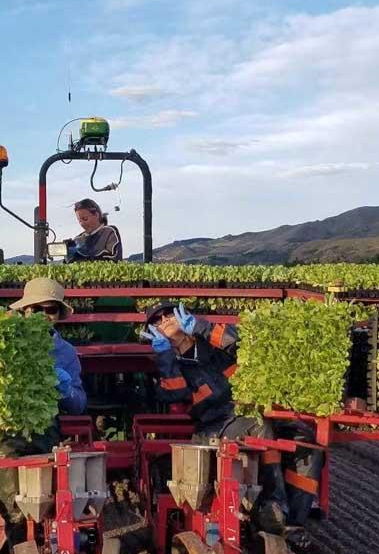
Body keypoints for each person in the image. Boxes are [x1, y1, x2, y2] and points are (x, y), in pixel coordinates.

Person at [0, 277, 87, 554]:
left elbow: (79, 404)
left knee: (2, 453)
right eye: (34, 309)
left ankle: (19, 525)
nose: (41, 316)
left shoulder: (66, 353)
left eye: (49, 310)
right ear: (23, 311)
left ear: (58, 316)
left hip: (37, 429)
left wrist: (63, 387)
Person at [144, 301, 307, 535]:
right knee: (261, 427)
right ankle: (273, 506)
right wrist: (164, 358)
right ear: (154, 332)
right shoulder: (169, 364)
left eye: (169, 314)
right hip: (213, 427)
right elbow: (175, 393)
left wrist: (202, 328)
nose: (165, 321)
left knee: (306, 442)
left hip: (247, 412)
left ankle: (292, 521)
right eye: (156, 321)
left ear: (183, 315)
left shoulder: (210, 343)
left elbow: (243, 348)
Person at [64, 198, 123, 262]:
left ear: (96, 215)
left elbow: (114, 258)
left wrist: (82, 257)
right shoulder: (78, 239)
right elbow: (69, 266)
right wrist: (67, 254)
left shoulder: (109, 231)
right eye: (79, 221)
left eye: (85, 219)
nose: (82, 224)